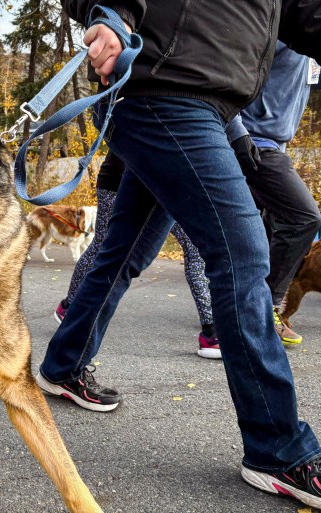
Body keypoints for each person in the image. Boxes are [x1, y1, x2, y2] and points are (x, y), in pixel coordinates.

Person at [35, 1, 321, 511]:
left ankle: (64, 363)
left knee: (125, 252)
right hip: (161, 92)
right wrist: (111, 12)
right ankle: (277, 450)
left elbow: (305, 7)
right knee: (242, 258)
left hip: (215, 106)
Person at [54, 151, 220, 360]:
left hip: (168, 183)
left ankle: (212, 331)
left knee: (193, 245)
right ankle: (70, 307)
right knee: (103, 245)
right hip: (120, 180)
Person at [226, 41, 321, 345]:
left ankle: (238, 311)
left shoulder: (304, 45)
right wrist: (237, 133)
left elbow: (314, 76)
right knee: (302, 218)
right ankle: (265, 310)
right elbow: (228, 76)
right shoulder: (273, 29)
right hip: (253, 143)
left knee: (260, 230)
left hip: (272, 144)